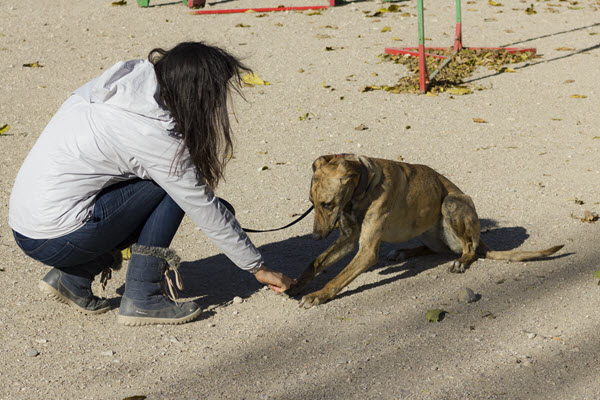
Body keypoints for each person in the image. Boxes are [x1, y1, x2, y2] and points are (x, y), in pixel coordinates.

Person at [8, 41, 294, 326]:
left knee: (171, 184)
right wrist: (258, 268)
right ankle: (143, 296)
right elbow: (198, 202)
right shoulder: (150, 133)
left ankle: (74, 277)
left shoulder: (119, 89)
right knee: (172, 189)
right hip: (57, 237)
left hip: (28, 225)